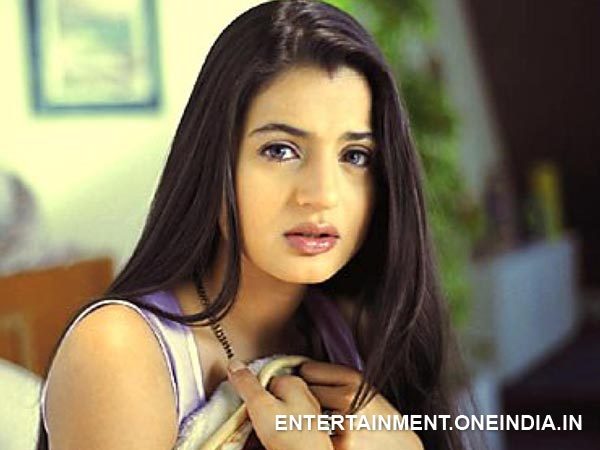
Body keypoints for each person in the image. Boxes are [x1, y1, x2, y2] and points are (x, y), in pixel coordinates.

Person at [38, 1, 471, 449]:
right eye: (280, 150)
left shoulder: (356, 330)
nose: (323, 194)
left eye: (355, 156)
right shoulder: (117, 350)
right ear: (212, 161)